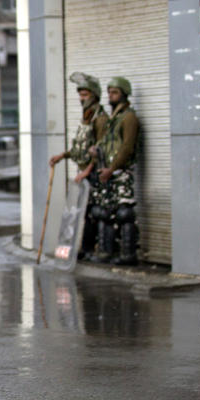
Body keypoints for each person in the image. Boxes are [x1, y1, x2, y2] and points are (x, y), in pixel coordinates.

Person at [49, 72, 108, 259]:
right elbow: (79, 147)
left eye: (85, 95)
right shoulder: (86, 117)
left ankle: (92, 249)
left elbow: (99, 149)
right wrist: (62, 156)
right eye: (80, 95)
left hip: (93, 174)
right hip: (82, 172)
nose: (81, 99)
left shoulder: (101, 119)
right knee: (79, 213)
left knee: (94, 213)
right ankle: (81, 248)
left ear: (94, 95)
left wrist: (87, 171)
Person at [89, 77, 140, 266]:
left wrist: (112, 168)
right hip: (107, 170)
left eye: (115, 92)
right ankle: (106, 252)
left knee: (124, 213)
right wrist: (96, 151)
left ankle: (128, 254)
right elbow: (105, 142)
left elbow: (127, 147)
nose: (110, 96)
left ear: (124, 94)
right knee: (104, 212)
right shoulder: (113, 118)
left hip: (121, 171)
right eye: (109, 92)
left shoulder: (129, 118)